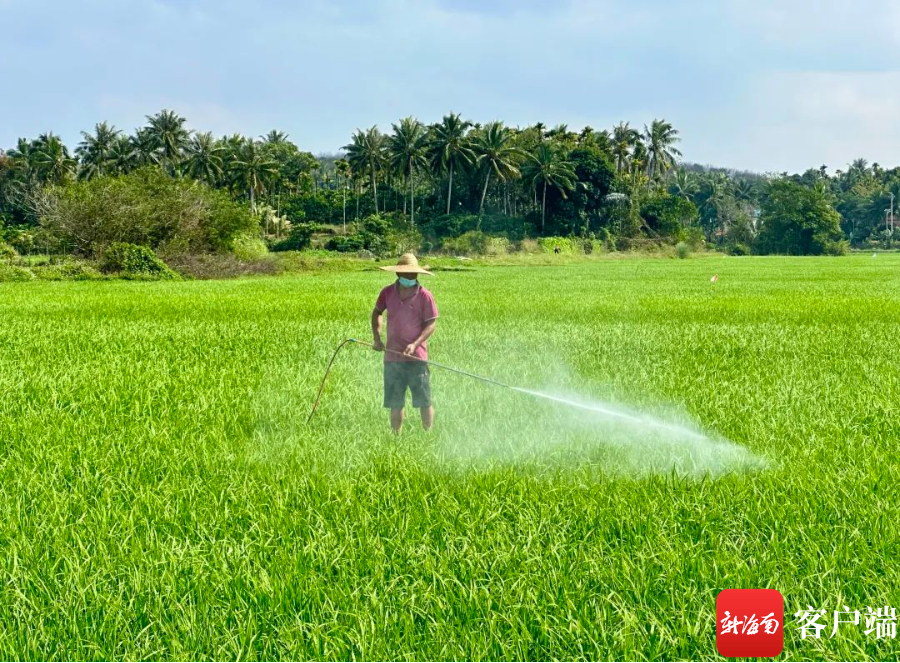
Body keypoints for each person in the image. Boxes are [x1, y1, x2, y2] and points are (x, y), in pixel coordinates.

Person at [371, 253, 439, 433]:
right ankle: (396, 437)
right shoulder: (387, 292)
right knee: (396, 402)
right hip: (393, 357)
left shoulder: (425, 295)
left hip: (417, 358)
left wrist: (415, 344)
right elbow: (377, 312)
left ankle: (427, 434)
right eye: (407, 274)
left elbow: (431, 324)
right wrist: (377, 338)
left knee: (424, 400)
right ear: (398, 274)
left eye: (413, 274)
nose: (411, 277)